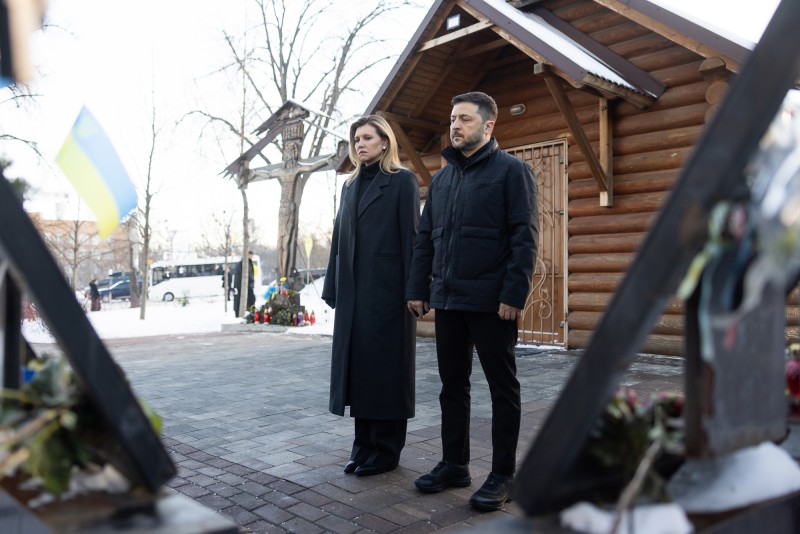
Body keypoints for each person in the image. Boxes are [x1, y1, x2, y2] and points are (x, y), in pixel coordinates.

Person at [406, 92, 539, 511]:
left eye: (464, 118)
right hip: (448, 299)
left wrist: (513, 293)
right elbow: (426, 238)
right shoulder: (442, 180)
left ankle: (504, 475)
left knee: (503, 390)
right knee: (452, 387)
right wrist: (417, 287)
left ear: (488, 125)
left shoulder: (512, 171)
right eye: (452, 119)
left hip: (491, 302)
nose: (455, 126)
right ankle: (454, 464)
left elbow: (524, 236)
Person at [321, 115, 419, 477]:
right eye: (356, 140)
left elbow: (412, 237)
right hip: (353, 293)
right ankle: (363, 445)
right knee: (359, 371)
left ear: (385, 142)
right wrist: (332, 286)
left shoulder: (403, 181)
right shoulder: (349, 185)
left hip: (388, 293)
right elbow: (339, 237)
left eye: (366, 138)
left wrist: (415, 289)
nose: (360, 144)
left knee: (386, 371)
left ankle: (386, 450)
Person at [233, 251, 256, 317]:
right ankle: (251, 313)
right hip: (246, 285)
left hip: (240, 285)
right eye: (251, 255)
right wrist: (251, 283)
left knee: (240, 300)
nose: (252, 257)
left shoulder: (240, 263)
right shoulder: (246, 263)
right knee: (251, 299)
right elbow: (249, 275)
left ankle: (242, 313)